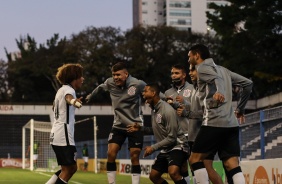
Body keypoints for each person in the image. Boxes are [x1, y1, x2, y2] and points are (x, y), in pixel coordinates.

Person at [187, 44, 253, 184]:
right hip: (231, 125)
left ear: (197, 55)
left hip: (213, 122)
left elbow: (218, 80)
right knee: (232, 164)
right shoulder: (224, 70)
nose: (188, 60)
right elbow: (248, 84)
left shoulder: (202, 68)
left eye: (189, 56)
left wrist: (220, 91)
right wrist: (240, 109)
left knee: (194, 159)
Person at [86, 62, 146, 184]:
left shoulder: (137, 84)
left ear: (126, 74)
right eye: (114, 75)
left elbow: (153, 92)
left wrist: (166, 100)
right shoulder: (110, 83)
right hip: (118, 125)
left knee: (134, 155)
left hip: (135, 125)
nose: (115, 77)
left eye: (118, 74)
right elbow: (100, 87)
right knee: (110, 153)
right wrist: (90, 96)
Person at [127, 83, 189, 184]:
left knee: (173, 172)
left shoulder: (167, 110)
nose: (143, 94)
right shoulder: (154, 110)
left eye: (145, 91)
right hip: (166, 148)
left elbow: (172, 137)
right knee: (154, 176)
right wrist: (140, 128)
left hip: (178, 145)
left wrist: (153, 147)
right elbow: (156, 130)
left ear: (153, 93)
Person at [177, 64, 223, 184]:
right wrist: (185, 103)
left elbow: (206, 111)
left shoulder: (207, 88)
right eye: (190, 70)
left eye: (193, 70)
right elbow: (195, 106)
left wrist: (187, 113)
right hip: (194, 134)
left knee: (205, 166)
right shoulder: (196, 88)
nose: (191, 73)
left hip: (202, 133)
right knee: (198, 166)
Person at [46, 63, 84, 184]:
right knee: (70, 169)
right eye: (81, 76)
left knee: (67, 168)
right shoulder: (69, 90)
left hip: (56, 134)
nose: (83, 79)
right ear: (75, 77)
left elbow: (54, 106)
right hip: (64, 135)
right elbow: (68, 98)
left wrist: (72, 103)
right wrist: (74, 102)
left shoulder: (60, 90)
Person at [164, 64, 193, 182]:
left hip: (191, 133)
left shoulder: (193, 88)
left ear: (184, 75)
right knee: (180, 168)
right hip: (176, 136)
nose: (174, 75)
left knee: (194, 164)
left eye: (177, 73)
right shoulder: (167, 93)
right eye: (172, 73)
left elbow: (200, 108)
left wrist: (185, 102)